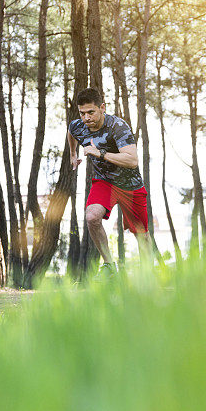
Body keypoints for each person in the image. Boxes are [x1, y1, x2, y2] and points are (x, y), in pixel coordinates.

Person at [68, 88, 152, 274]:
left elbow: (132, 160)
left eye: (91, 112)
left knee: (141, 234)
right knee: (92, 217)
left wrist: (100, 153)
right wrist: (73, 154)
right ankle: (109, 266)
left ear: (102, 108)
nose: (86, 118)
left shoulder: (118, 127)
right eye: (82, 113)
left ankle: (148, 276)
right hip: (104, 181)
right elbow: (71, 132)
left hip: (130, 185)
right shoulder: (78, 125)